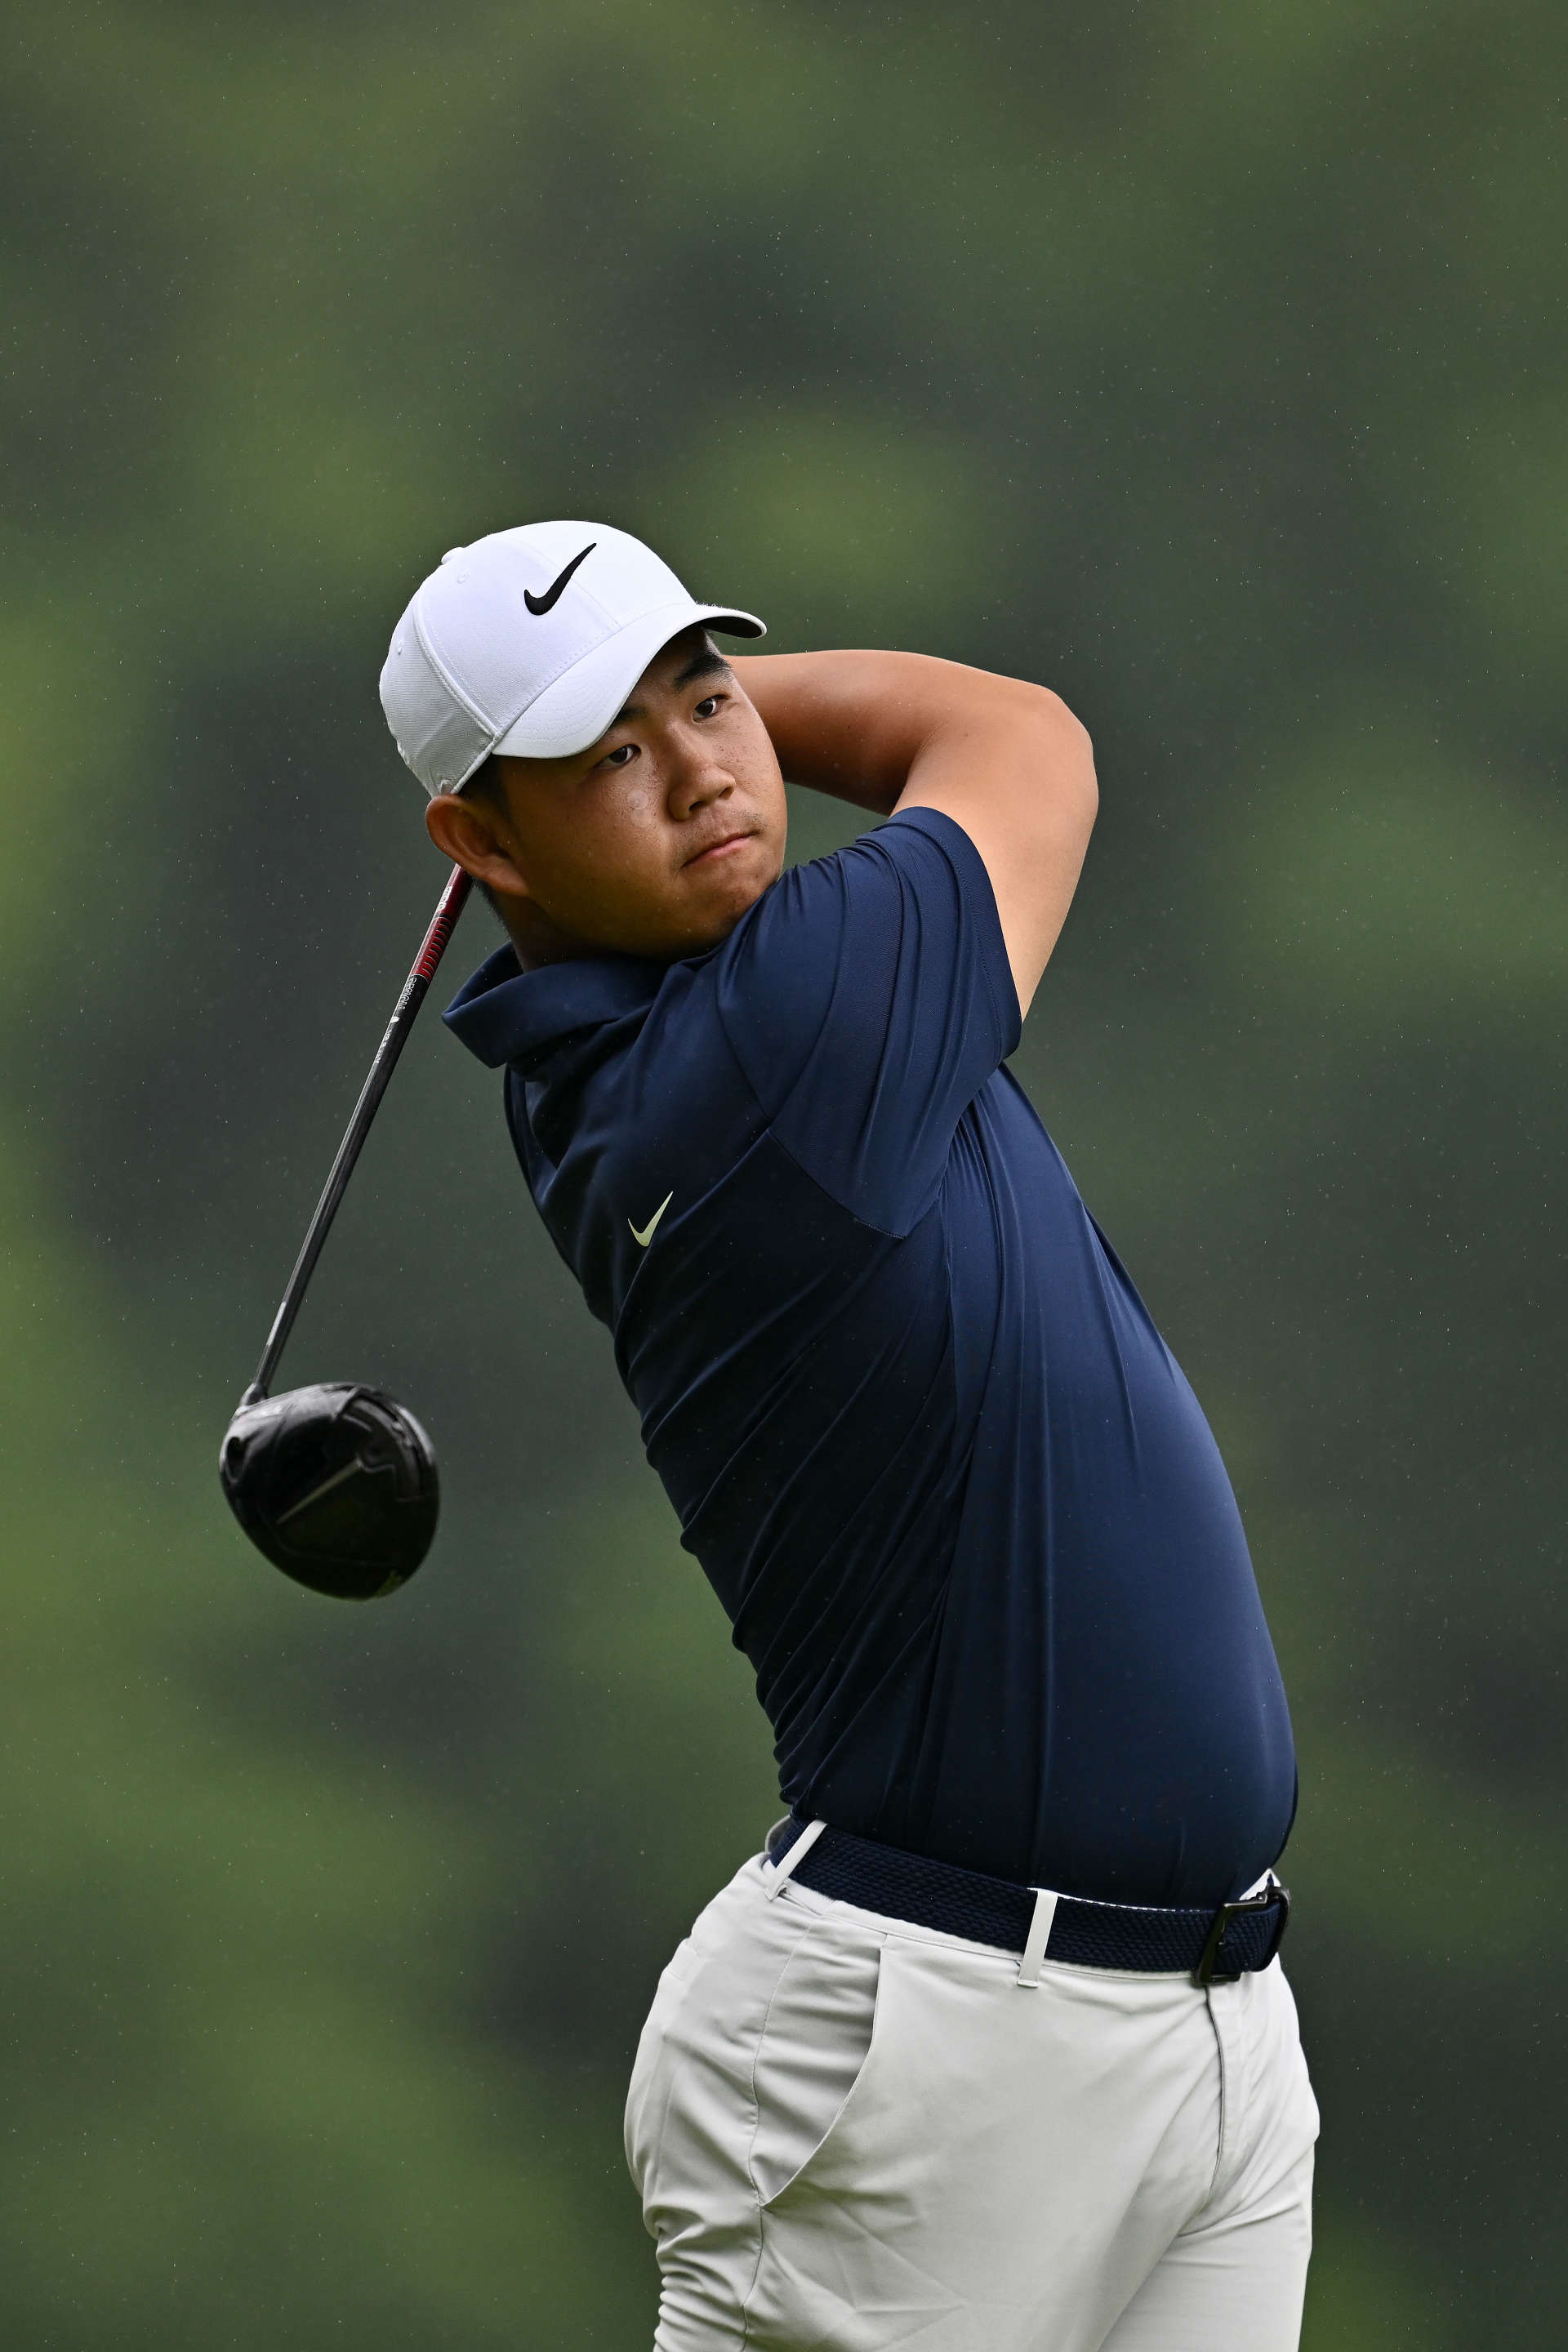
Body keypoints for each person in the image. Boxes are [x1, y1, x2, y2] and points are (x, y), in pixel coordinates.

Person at [380, 520, 1318, 2352]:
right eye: (614, 756)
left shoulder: (657, 1041)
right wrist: (736, 704)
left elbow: (880, 763)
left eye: (707, 699)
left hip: (1200, 2023)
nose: (705, 774)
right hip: (931, 2060)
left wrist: (632, 718)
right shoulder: (784, 1032)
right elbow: (1022, 737)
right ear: (480, 846)